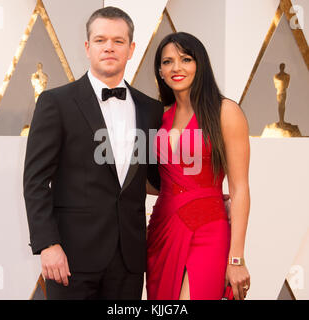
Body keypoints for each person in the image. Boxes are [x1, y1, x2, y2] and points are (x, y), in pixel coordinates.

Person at [23, 6, 163, 300]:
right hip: (70, 257)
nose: (109, 47)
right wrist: (48, 244)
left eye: (118, 41)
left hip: (129, 260)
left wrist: (208, 194)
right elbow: (35, 181)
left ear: (131, 48)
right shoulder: (56, 103)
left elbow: (152, 178)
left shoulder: (150, 109)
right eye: (100, 40)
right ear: (88, 48)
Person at [146, 32, 250, 300]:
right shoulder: (159, 117)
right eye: (167, 62)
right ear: (160, 70)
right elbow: (159, 181)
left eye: (185, 59)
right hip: (162, 230)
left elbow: (239, 188)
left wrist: (236, 258)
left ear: (200, 64)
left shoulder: (225, 111)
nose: (176, 68)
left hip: (207, 229)